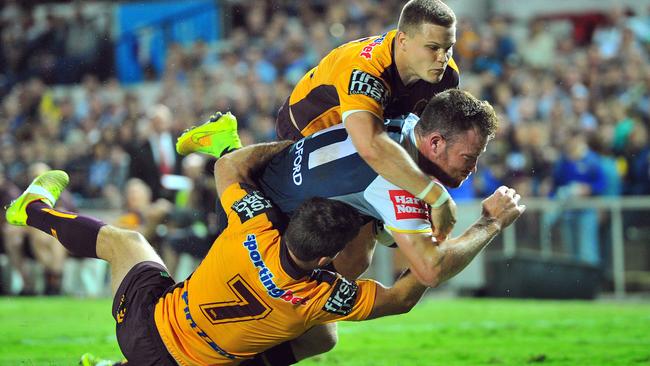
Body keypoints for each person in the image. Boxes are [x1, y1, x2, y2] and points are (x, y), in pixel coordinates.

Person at [5, 162, 523, 363]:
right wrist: (487, 225)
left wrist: (287, 150)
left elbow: (231, 167)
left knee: (122, 242)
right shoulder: (322, 296)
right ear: (326, 257)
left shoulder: (253, 227)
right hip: (194, 360)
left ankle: (33, 209)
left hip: (149, 326)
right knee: (322, 336)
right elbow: (403, 296)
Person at [177, 0, 460, 242]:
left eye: (448, 47)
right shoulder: (364, 69)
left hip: (358, 141)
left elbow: (422, 141)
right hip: (308, 131)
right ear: (403, 41)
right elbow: (370, 146)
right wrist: (433, 195)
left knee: (354, 253)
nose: (442, 57)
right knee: (282, 233)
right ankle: (226, 147)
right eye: (433, 47)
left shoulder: (447, 76)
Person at [178, 89, 497, 285]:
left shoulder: (407, 124)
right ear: (436, 142)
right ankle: (224, 144)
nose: (473, 168)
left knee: (356, 256)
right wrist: (489, 223)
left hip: (273, 178)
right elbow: (431, 270)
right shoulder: (394, 181)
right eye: (468, 157)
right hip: (259, 221)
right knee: (256, 315)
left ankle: (228, 146)